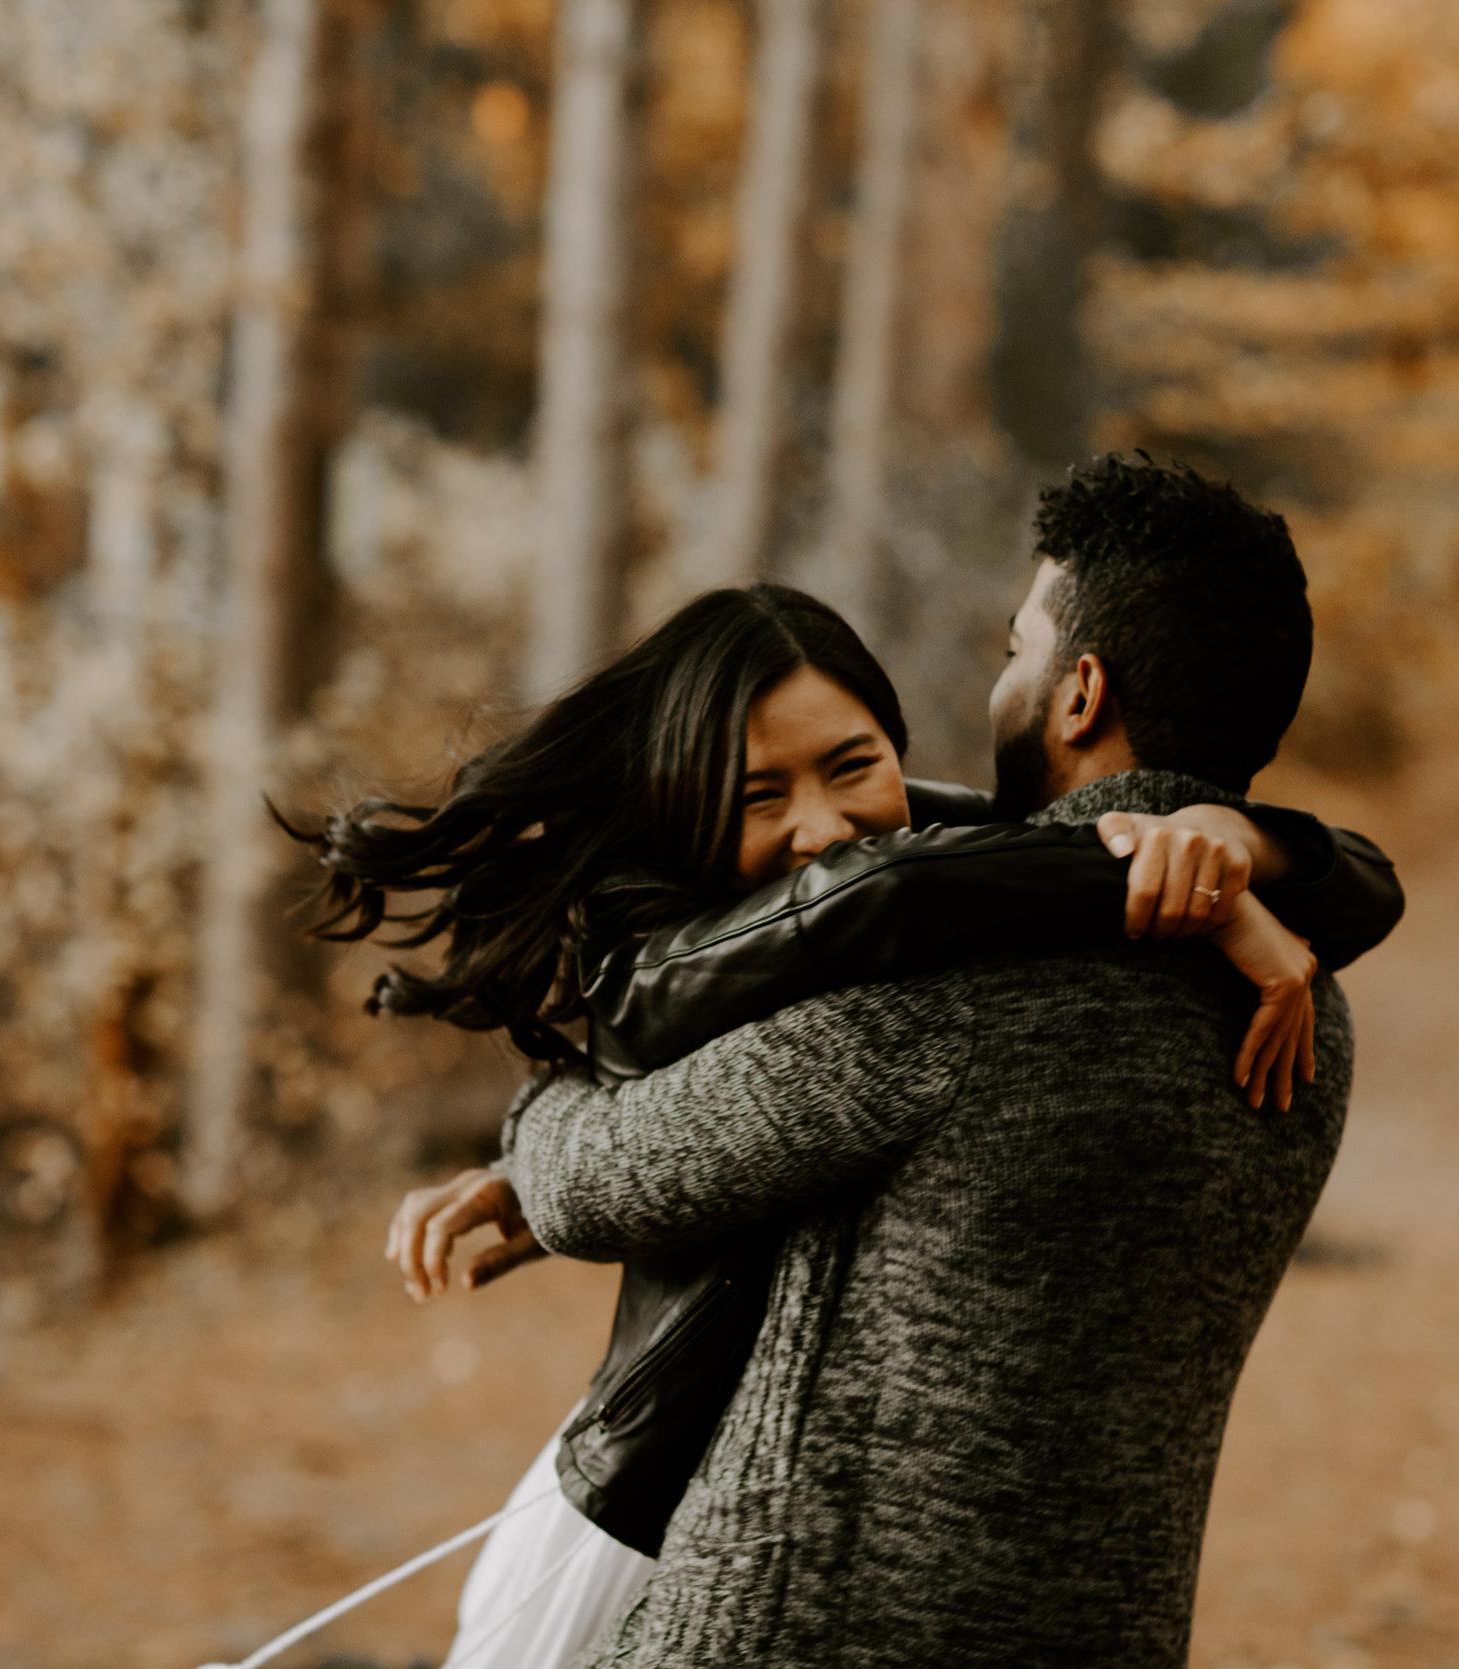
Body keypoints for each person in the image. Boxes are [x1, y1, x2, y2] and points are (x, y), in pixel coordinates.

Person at [303, 476, 1395, 1663]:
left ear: (1079, 692)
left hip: (809, 1625)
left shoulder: (940, 991)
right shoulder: (1309, 1010)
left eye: (1013, 647)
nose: (1000, 682)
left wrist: (539, 1125)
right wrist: (1253, 846)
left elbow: (597, 1182)